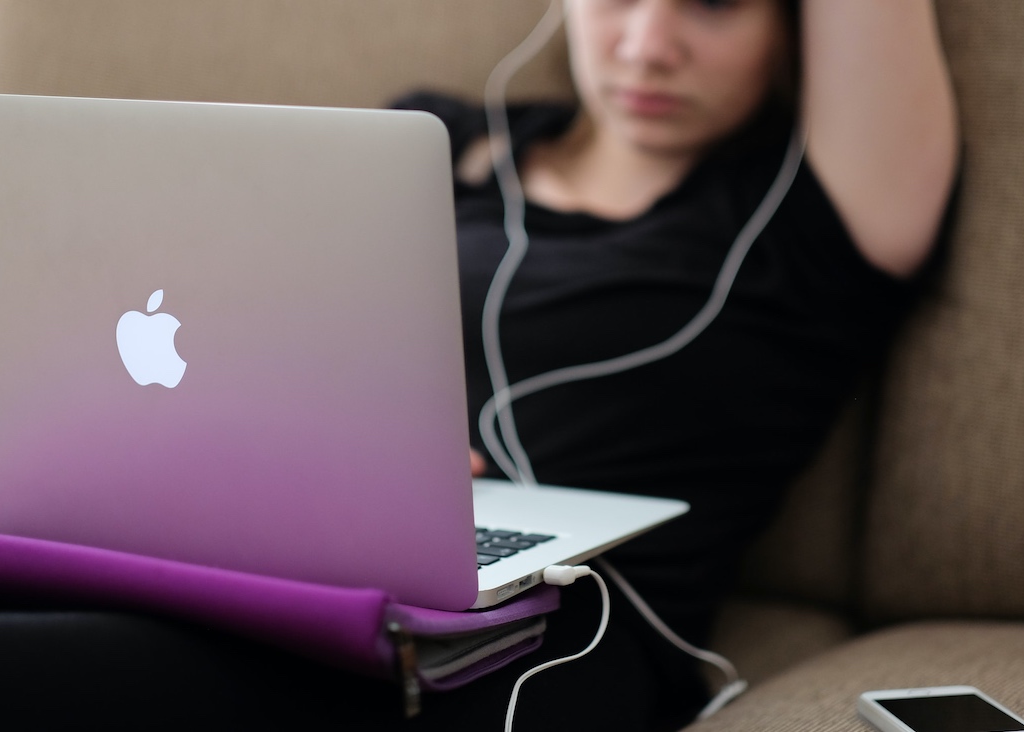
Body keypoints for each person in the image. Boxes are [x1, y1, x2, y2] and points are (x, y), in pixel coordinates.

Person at [385, 0, 960, 729]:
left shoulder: (817, 211)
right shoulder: (434, 140)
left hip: (564, 632)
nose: (648, 46)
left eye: (714, 4)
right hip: (343, 555)